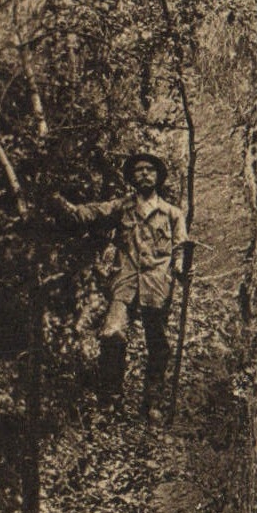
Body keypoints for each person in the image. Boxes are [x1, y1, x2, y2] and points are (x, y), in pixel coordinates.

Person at [55, 153, 188, 422]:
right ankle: (109, 404)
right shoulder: (123, 207)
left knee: (158, 344)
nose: (144, 175)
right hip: (125, 282)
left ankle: (153, 402)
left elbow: (181, 248)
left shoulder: (173, 213)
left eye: (150, 170)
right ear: (132, 177)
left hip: (157, 284)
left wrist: (181, 267)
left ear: (158, 176)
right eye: (138, 171)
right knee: (111, 333)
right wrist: (68, 208)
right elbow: (93, 212)